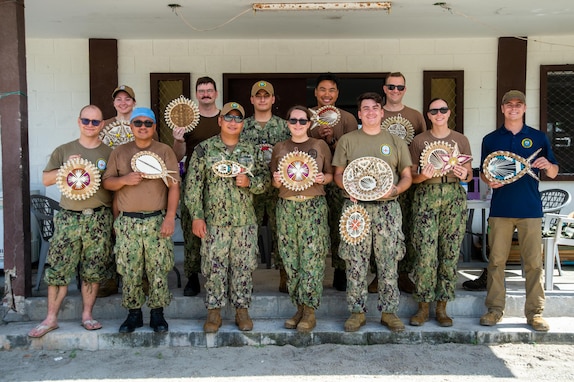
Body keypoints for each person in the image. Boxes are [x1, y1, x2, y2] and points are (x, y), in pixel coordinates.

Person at [28, 105, 114, 338]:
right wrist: (66, 168)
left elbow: (115, 185)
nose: (90, 125)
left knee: (93, 270)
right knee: (58, 269)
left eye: (95, 122)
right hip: (68, 218)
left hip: (98, 218)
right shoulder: (64, 150)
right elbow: (46, 180)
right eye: (86, 120)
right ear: (78, 122)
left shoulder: (109, 153)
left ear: (102, 125)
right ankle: (50, 318)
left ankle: (87, 315)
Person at [184, 102, 269, 333]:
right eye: (228, 118)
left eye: (238, 119)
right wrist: (197, 217)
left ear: (243, 123)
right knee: (214, 267)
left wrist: (250, 183)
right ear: (220, 121)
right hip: (214, 221)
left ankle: (242, 310)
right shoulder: (204, 150)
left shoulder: (251, 150)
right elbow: (193, 187)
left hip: (244, 221)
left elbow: (265, 181)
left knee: (243, 266)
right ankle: (214, 312)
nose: (233, 122)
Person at [332, 92, 412, 333]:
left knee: (389, 261)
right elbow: (337, 173)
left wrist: (397, 188)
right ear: (359, 113)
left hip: (387, 209)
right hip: (356, 209)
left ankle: (389, 312)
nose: (370, 112)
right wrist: (347, 186)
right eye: (365, 108)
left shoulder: (396, 141)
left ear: (382, 112)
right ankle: (357, 312)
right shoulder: (347, 140)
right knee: (355, 261)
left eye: (375, 108)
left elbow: (407, 176)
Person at [479, 90, 558, 332]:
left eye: (518, 104)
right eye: (509, 104)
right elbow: (484, 171)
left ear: (524, 108)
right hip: (500, 209)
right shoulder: (491, 139)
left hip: (530, 209)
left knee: (534, 264)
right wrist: (488, 180)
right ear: (502, 108)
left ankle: (535, 313)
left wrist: (548, 166)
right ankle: (494, 310)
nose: (513, 108)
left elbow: (554, 171)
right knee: (496, 262)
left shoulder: (538, 137)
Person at [102, 107, 180, 333]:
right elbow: (107, 183)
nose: (143, 127)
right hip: (128, 222)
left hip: (156, 220)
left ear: (154, 127)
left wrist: (169, 218)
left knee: (158, 268)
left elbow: (174, 187)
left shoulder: (164, 151)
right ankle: (133, 314)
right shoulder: (119, 152)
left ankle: (157, 314)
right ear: (131, 126)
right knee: (129, 269)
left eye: (148, 123)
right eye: (138, 123)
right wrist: (125, 179)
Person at [408, 98, 473, 327]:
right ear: (428, 114)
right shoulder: (419, 141)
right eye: (434, 110)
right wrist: (423, 176)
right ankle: (423, 305)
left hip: (453, 195)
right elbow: (412, 177)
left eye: (443, 110)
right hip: (427, 194)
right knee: (425, 252)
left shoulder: (460, 140)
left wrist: (462, 173)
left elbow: (469, 175)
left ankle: (442, 305)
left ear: (449, 113)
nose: (439, 114)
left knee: (450, 251)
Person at [270, 105, 333, 332]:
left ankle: (309, 310)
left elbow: (331, 176)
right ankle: (298, 306)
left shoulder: (319, 145)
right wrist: (277, 180)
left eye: (302, 121)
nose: (298, 125)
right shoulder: (280, 148)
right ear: (287, 123)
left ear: (309, 123)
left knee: (312, 259)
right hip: (287, 207)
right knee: (290, 259)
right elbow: (275, 182)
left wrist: (321, 178)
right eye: (293, 120)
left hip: (313, 206)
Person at [368, 72, 427, 295]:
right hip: (379, 182)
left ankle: (402, 274)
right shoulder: (375, 114)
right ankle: (378, 274)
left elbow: (424, 144)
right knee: (378, 230)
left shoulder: (415, 116)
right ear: (384, 89)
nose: (395, 91)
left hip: (408, 180)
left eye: (399, 87)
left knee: (406, 228)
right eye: (391, 87)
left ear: (405, 89)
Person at [308, 73, 359, 291]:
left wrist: (332, 140)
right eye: (322, 89)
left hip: (340, 180)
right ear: (315, 92)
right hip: (313, 182)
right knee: (316, 228)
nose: (326, 94)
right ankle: (314, 272)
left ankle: (340, 270)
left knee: (341, 226)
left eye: (331, 90)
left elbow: (353, 152)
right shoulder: (306, 117)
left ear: (337, 93)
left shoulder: (347, 119)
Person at [172, 76, 221, 297]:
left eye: (209, 91)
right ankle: (192, 276)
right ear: (196, 95)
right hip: (194, 183)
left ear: (216, 94)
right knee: (192, 229)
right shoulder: (188, 120)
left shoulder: (225, 119)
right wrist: (179, 139)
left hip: (221, 185)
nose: (205, 94)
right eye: (201, 91)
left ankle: (218, 275)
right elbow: (177, 156)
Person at [240, 80, 290, 292]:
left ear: (272, 99)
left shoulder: (284, 126)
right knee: (248, 232)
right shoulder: (242, 126)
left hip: (278, 187)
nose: (262, 99)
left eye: (266, 95)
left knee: (281, 231)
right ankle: (245, 277)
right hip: (250, 187)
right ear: (252, 99)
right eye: (258, 95)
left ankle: (284, 275)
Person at [98, 84, 138, 298]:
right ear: (114, 103)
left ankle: (138, 278)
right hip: (111, 184)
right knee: (109, 232)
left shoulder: (142, 123)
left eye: (127, 99)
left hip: (135, 186)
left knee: (133, 232)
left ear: (134, 102)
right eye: (119, 99)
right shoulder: (104, 126)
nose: (123, 103)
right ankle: (110, 279)